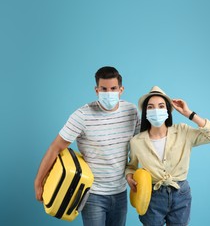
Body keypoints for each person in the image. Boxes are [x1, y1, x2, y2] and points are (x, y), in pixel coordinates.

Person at [34, 66, 140, 226]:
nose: (109, 93)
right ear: (96, 90)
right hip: (92, 194)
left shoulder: (131, 112)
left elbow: (141, 146)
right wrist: (38, 182)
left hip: (120, 192)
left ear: (121, 89)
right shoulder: (82, 115)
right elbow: (55, 148)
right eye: (104, 89)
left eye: (113, 88)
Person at [126, 86, 210, 226]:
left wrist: (189, 113)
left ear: (167, 110)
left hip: (181, 194)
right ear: (145, 112)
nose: (156, 111)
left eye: (161, 106)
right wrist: (129, 176)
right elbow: (131, 166)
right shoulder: (136, 141)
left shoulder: (183, 131)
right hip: (152, 195)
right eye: (151, 107)